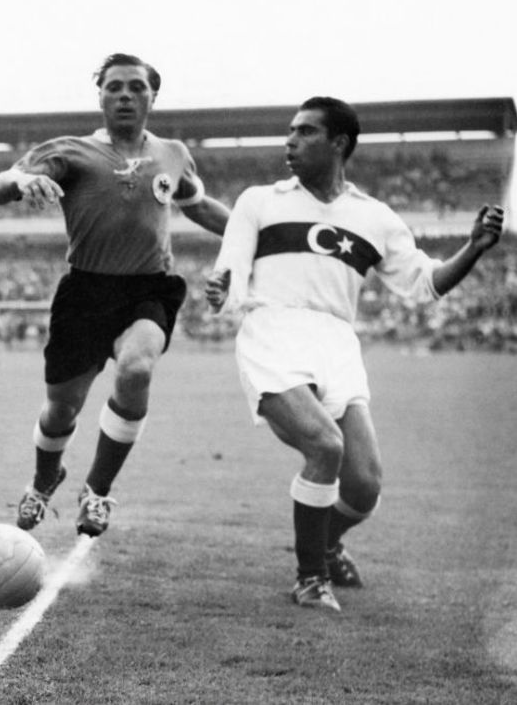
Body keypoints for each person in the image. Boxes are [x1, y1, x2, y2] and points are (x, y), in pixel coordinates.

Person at [205, 96, 506, 612]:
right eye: (290, 131)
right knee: (325, 447)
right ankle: (310, 578)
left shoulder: (375, 217)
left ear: (338, 143)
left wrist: (473, 248)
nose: (290, 141)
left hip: (337, 341)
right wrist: (221, 291)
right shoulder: (260, 200)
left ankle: (324, 539)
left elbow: (425, 283)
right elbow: (230, 270)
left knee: (364, 485)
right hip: (273, 329)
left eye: (304, 132)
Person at [0, 53, 230, 537]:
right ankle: (43, 482)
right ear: (99, 95)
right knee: (60, 410)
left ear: (152, 96)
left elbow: (197, 206)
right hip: (86, 291)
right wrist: (21, 179)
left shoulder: (174, 153)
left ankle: (96, 491)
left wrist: (254, 233)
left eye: (136, 87)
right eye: (113, 86)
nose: (124, 94)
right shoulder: (70, 152)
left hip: (149, 288)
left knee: (137, 369)